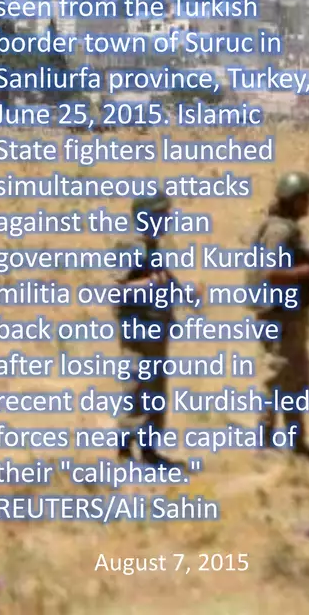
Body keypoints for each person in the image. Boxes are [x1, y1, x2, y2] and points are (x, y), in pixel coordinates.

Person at [249, 171, 309, 461]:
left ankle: (296, 441)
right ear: (292, 201)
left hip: (291, 314)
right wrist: (303, 273)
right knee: (277, 375)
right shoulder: (280, 231)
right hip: (278, 315)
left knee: (296, 378)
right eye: (305, 198)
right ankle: (264, 441)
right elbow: (271, 272)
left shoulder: (286, 228)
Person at [117, 193, 184, 468]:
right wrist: (149, 287)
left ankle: (148, 451)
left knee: (155, 390)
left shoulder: (150, 245)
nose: (166, 220)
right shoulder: (131, 245)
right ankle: (125, 452)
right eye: (161, 214)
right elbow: (118, 291)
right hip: (138, 330)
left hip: (156, 330)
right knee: (136, 388)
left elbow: (164, 277)